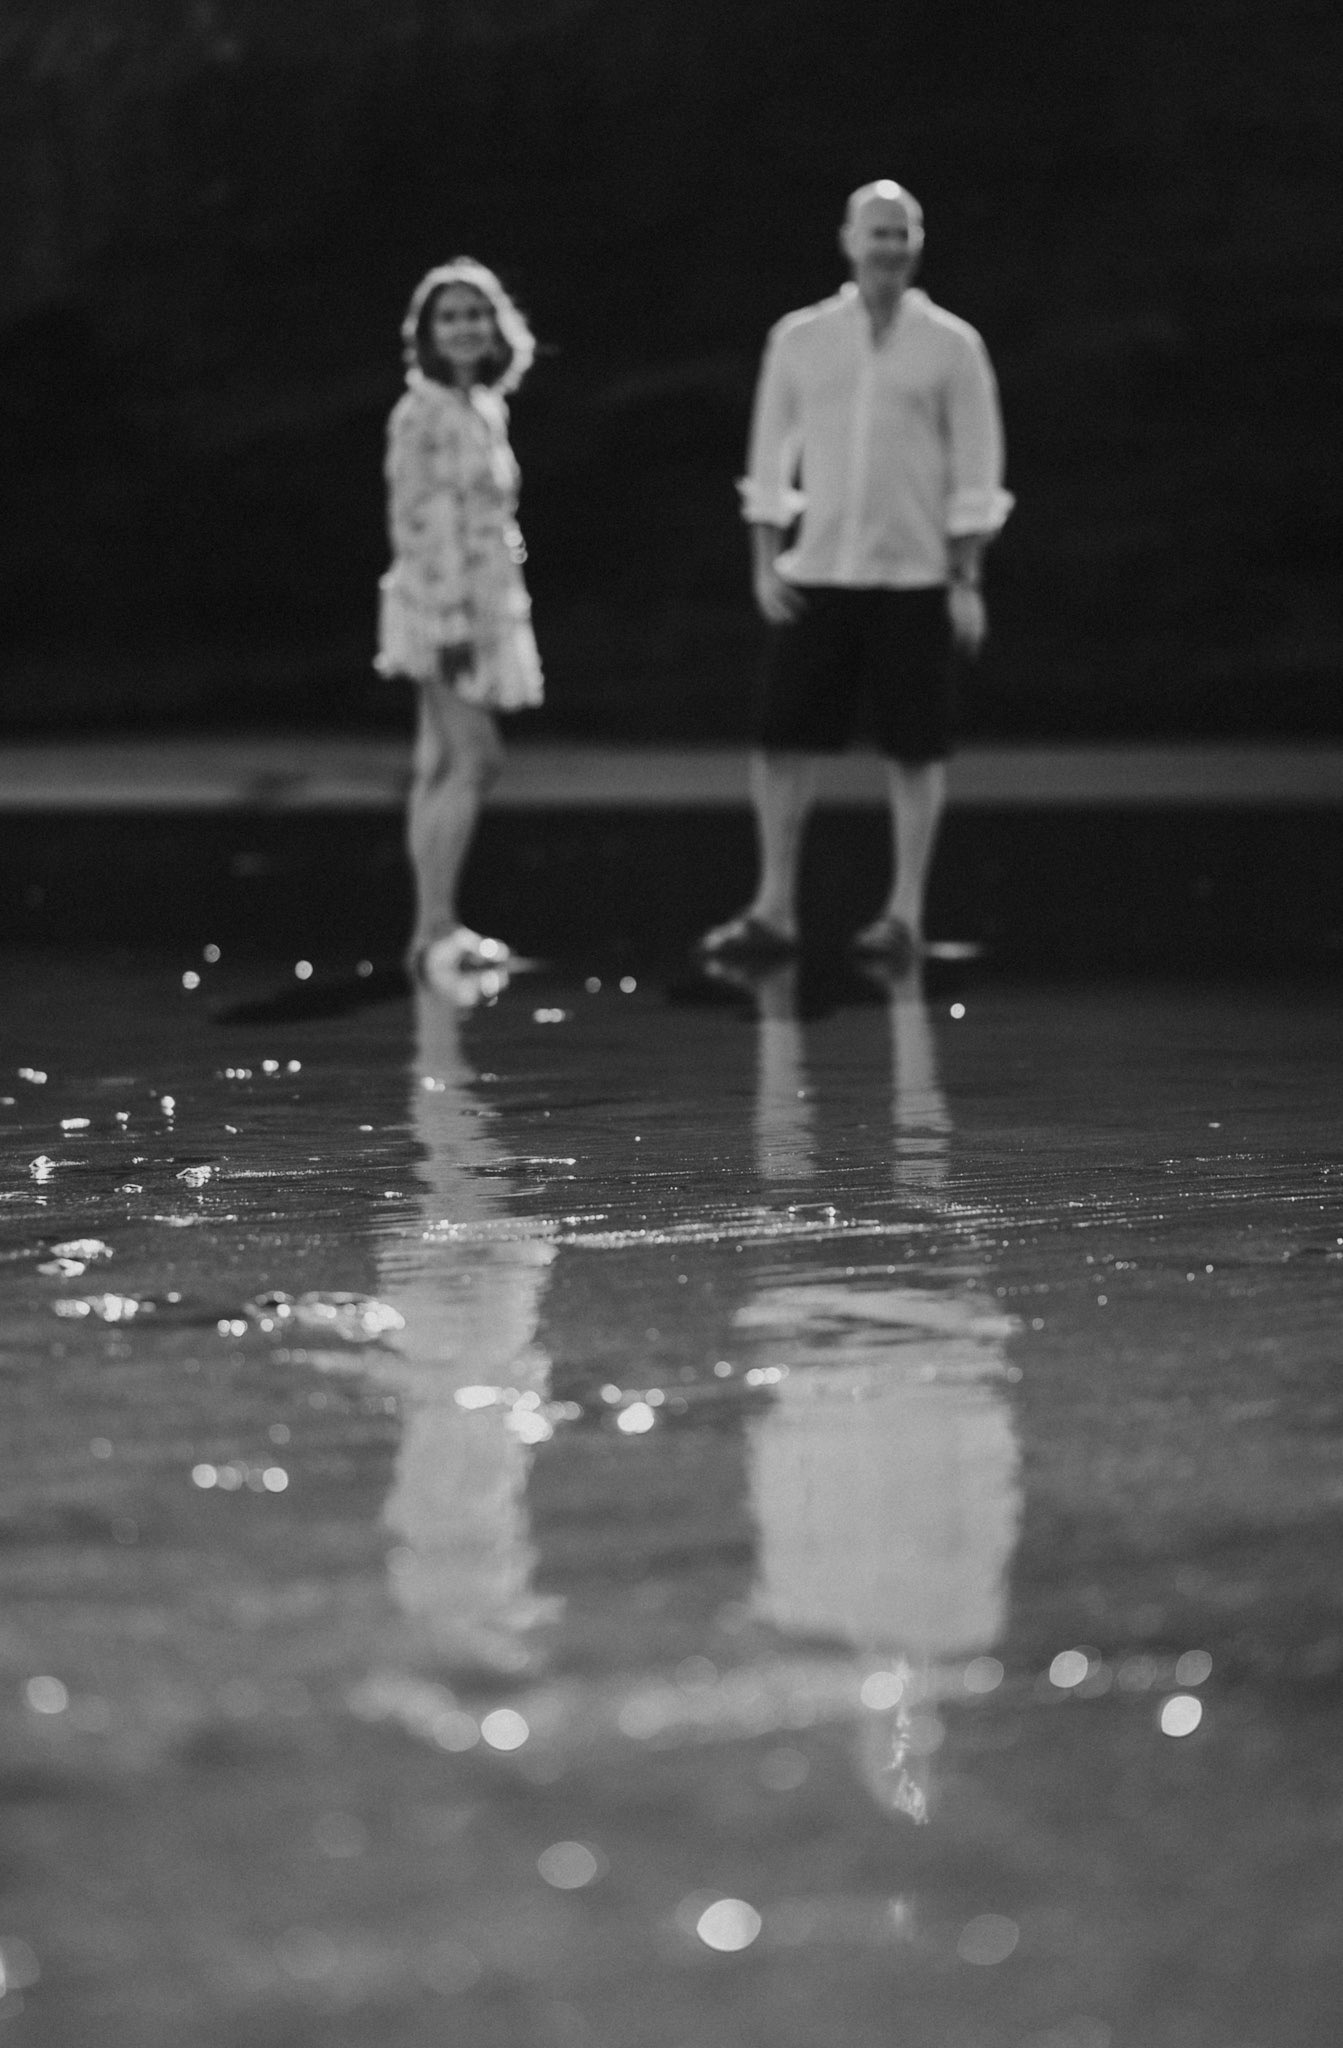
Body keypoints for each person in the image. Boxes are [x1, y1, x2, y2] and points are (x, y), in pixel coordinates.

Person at [700, 180, 1013, 964]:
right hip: (820, 573)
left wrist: (965, 580)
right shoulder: (801, 338)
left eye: (902, 232)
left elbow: (976, 469)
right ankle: (773, 908)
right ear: (847, 240)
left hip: (914, 577)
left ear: (918, 242)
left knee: (916, 747)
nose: (889, 247)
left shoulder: (951, 346)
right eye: (877, 232)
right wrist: (764, 563)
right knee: (780, 739)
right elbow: (768, 454)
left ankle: (903, 914)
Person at [376, 258, 543, 987]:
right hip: (445, 610)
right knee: (476, 761)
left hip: (486, 602)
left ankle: (432, 927)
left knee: (441, 763)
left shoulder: (483, 407)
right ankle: (435, 926)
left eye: (475, 313)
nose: (465, 327)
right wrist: (447, 623)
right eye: (449, 316)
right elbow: (415, 523)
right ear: (427, 333)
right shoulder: (423, 413)